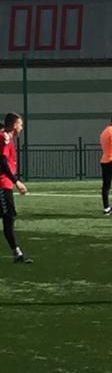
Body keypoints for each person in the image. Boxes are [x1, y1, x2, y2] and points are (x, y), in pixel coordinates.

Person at [0, 112, 32, 264]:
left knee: (8, 218)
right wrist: (16, 181)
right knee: (8, 218)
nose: (21, 127)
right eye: (20, 124)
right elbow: (2, 161)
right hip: (2, 184)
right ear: (14, 125)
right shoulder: (5, 138)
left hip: (5, 184)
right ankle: (17, 253)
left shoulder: (6, 137)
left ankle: (17, 253)